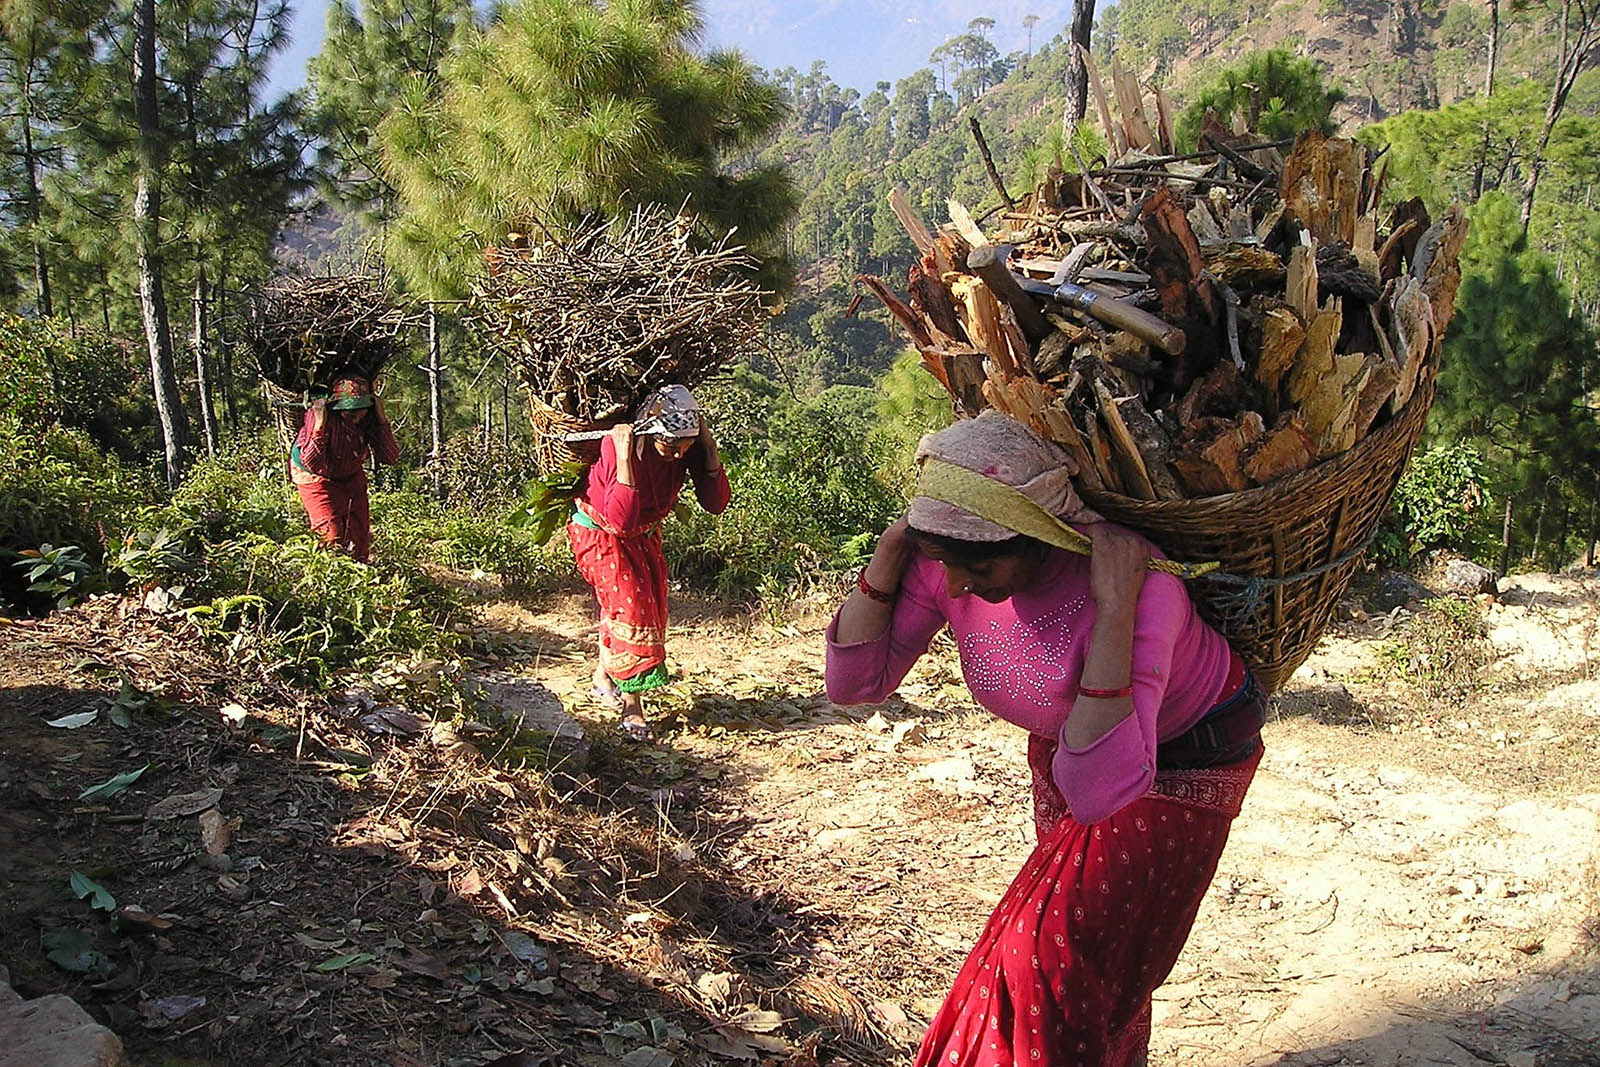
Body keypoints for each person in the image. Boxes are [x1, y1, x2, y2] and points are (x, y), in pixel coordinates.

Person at [826, 410, 1266, 1067]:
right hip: (1071, 745)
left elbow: (1099, 789)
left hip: (1179, 760)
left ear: (1039, 538)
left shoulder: (1139, 587)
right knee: (1091, 961)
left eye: (977, 565)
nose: (955, 585)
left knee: (1039, 960)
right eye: (943, 562)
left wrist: (1115, 606)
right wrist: (894, 550)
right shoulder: (951, 559)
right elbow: (854, 681)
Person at [568, 384, 730, 742]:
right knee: (633, 612)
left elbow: (716, 502)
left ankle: (603, 675)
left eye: (683, 445)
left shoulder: (684, 449)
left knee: (640, 610)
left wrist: (707, 448)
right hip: (601, 534)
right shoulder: (619, 446)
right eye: (669, 445)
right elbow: (621, 520)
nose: (676, 454)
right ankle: (632, 706)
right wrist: (624, 458)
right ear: (649, 431)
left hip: (643, 537)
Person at [290, 375, 399, 564]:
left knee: (359, 536)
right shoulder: (318, 415)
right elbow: (312, 463)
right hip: (317, 478)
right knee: (331, 535)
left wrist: (381, 419)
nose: (356, 417)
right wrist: (319, 426)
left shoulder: (368, 418)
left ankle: (360, 577)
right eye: (350, 413)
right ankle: (329, 577)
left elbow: (389, 457)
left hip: (350, 473)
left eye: (361, 410)